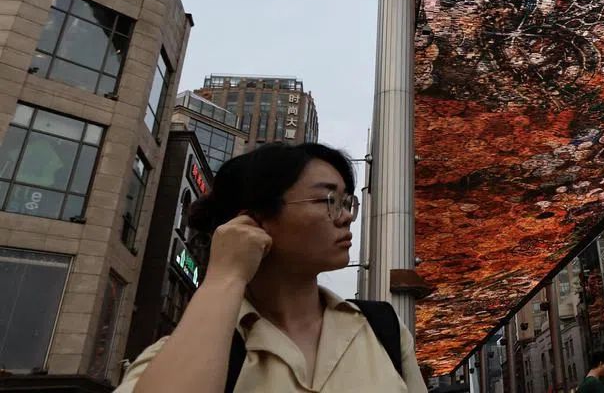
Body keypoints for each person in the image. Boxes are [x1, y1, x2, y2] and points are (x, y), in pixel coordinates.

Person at [114, 143, 427, 393]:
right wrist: (226, 276)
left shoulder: (382, 329)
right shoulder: (189, 352)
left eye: (347, 202)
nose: (345, 216)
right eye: (329, 200)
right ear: (255, 220)